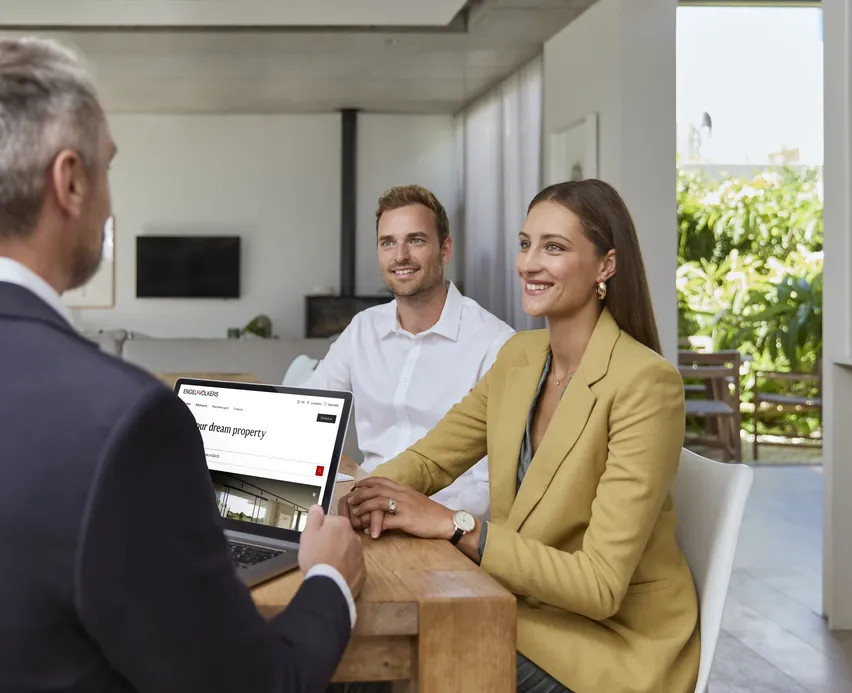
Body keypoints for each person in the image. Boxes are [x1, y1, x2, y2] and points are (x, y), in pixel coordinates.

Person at [0, 37, 365, 693]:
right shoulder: (124, 420)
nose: (112, 200)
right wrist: (330, 575)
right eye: (108, 169)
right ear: (71, 181)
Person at [343, 179, 701, 692]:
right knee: (352, 642)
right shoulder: (520, 357)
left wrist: (452, 524)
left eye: (553, 247)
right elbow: (430, 460)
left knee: (398, 655)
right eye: (526, 243)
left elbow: (599, 586)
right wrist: (360, 496)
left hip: (609, 645)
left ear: (606, 266)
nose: (529, 263)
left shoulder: (646, 384)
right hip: (523, 608)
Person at [304, 184, 514, 520]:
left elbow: (492, 484)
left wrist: (422, 517)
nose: (400, 255)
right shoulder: (363, 329)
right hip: (367, 511)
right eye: (388, 243)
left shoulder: (495, 344)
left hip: (445, 529)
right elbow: (309, 410)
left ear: (445, 249)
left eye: (415, 240)